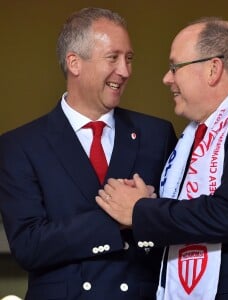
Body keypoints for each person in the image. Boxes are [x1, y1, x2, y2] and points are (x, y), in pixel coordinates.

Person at [96, 17, 228, 300]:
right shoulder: (192, 139)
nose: (167, 78)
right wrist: (151, 205)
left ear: (213, 69)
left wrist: (140, 211)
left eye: (174, 67)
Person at [0, 7, 177, 300]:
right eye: (113, 58)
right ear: (74, 63)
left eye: (129, 58)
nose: (125, 71)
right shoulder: (20, 146)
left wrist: (147, 214)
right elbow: (29, 247)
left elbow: (178, 221)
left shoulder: (156, 135)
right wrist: (122, 217)